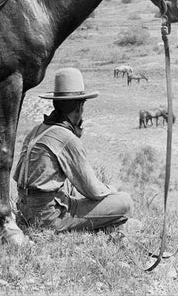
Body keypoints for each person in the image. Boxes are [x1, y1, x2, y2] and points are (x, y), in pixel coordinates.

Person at [13, 67, 135, 233]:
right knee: (125, 202)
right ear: (79, 108)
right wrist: (111, 190)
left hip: (25, 210)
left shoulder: (37, 130)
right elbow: (92, 190)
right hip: (49, 216)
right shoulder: (66, 138)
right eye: (82, 108)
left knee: (71, 189)